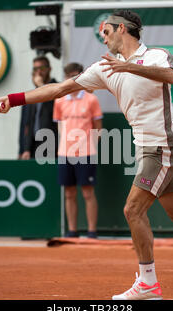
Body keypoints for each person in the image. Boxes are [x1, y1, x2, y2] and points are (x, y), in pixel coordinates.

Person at [0, 9, 173, 300]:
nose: (103, 37)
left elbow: (170, 76)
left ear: (122, 29)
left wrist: (129, 68)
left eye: (106, 31)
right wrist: (13, 100)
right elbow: (60, 89)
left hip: (164, 146)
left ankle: (148, 283)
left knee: (132, 210)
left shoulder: (156, 56)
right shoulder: (104, 68)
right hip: (148, 148)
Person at [53, 63, 103, 239]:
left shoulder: (91, 99)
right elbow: (60, 126)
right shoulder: (59, 100)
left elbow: (98, 128)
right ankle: (72, 231)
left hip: (86, 153)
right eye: (68, 76)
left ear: (82, 76)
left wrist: (88, 146)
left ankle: (91, 231)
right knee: (69, 193)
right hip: (64, 153)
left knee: (88, 192)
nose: (71, 79)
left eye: (75, 75)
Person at [18, 56, 58, 159]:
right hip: (32, 147)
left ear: (49, 69)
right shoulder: (31, 95)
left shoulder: (57, 89)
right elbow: (25, 125)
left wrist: (41, 86)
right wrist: (23, 150)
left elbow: (54, 107)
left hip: (51, 144)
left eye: (42, 68)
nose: (39, 72)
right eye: (35, 69)